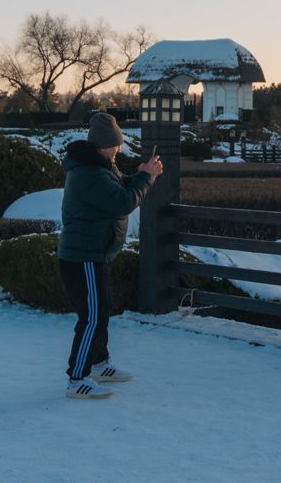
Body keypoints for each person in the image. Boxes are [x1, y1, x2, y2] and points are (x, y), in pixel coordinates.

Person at [58, 112, 162, 399]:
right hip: (84, 258)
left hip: (94, 255)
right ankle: (77, 378)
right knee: (91, 317)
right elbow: (123, 201)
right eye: (116, 145)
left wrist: (142, 173)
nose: (119, 149)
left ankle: (100, 363)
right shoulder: (89, 174)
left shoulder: (100, 167)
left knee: (100, 313)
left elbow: (121, 186)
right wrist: (147, 177)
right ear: (105, 146)